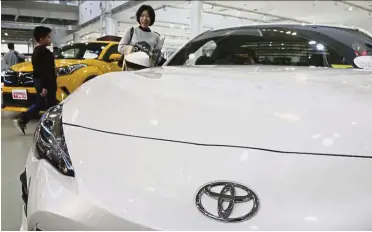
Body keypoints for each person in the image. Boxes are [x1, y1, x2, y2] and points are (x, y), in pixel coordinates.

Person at [14, 26, 57, 135]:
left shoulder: (38, 51)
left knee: (40, 104)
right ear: (41, 39)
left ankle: (23, 119)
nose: (50, 39)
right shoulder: (43, 52)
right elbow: (44, 71)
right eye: (48, 37)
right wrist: (45, 87)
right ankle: (47, 132)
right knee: (50, 108)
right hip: (47, 85)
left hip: (43, 84)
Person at [118, 4, 164, 69]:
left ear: (151, 18)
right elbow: (120, 47)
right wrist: (135, 49)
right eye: (142, 15)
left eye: (148, 16)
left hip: (146, 72)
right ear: (139, 17)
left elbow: (156, 58)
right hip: (130, 70)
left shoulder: (156, 37)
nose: (144, 18)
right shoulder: (131, 31)